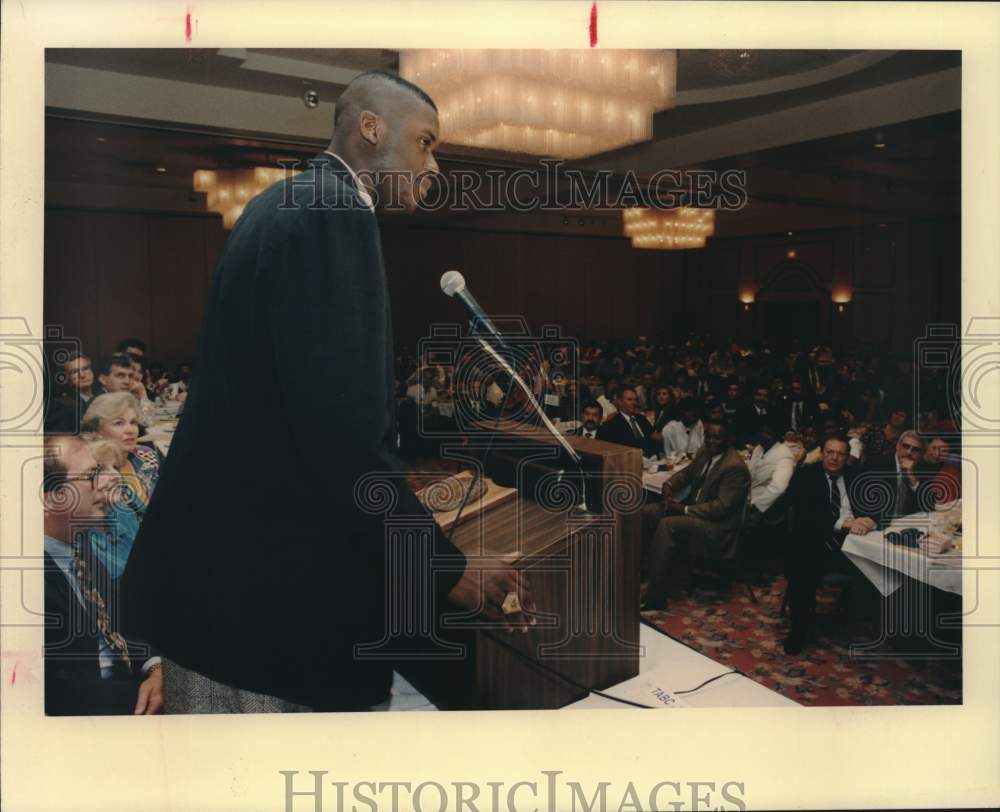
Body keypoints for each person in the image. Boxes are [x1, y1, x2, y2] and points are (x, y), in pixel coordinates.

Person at [120, 70, 533, 714]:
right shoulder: (334, 215)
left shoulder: (280, 203)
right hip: (269, 619)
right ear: (371, 128)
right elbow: (342, 442)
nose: (435, 165)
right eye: (425, 142)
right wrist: (442, 570)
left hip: (216, 598)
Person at [42, 435, 163, 715]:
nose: (106, 481)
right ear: (51, 498)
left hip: (125, 685)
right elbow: (67, 697)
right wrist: (158, 692)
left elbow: (117, 623)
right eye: (91, 475)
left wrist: (156, 669)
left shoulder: (78, 541)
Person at [640, 418, 750, 610]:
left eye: (717, 438)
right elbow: (686, 474)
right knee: (648, 512)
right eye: (708, 437)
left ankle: (656, 596)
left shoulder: (735, 467)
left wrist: (683, 509)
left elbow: (721, 508)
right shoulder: (705, 452)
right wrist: (669, 485)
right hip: (697, 513)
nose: (711, 442)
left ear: (728, 440)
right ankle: (643, 572)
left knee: (669, 524)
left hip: (718, 529)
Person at [782, 434, 877, 655]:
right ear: (822, 454)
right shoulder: (806, 476)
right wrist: (844, 523)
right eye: (830, 452)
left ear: (847, 457)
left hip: (852, 546)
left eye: (840, 454)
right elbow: (806, 516)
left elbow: (875, 506)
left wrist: (870, 520)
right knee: (803, 567)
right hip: (814, 542)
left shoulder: (855, 476)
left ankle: (861, 623)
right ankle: (799, 630)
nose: (834, 458)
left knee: (882, 564)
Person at [82, 393, 162, 512]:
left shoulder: (146, 454)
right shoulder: (94, 473)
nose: (130, 430)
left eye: (133, 422)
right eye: (119, 423)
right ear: (96, 430)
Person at [746, 423, 796, 523]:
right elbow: (751, 473)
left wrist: (756, 507)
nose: (763, 435)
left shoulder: (785, 455)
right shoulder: (759, 449)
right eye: (761, 432)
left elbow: (778, 487)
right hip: (748, 500)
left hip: (767, 509)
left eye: (768, 433)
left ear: (777, 436)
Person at [597, 387, 656, 454]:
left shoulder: (642, 419)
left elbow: (652, 439)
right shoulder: (612, 425)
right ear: (620, 402)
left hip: (652, 459)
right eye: (629, 400)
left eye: (635, 400)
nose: (634, 403)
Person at [921, 437, 961, 505]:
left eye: (944, 451)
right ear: (927, 446)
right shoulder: (913, 462)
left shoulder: (951, 472)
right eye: (934, 448)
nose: (937, 454)